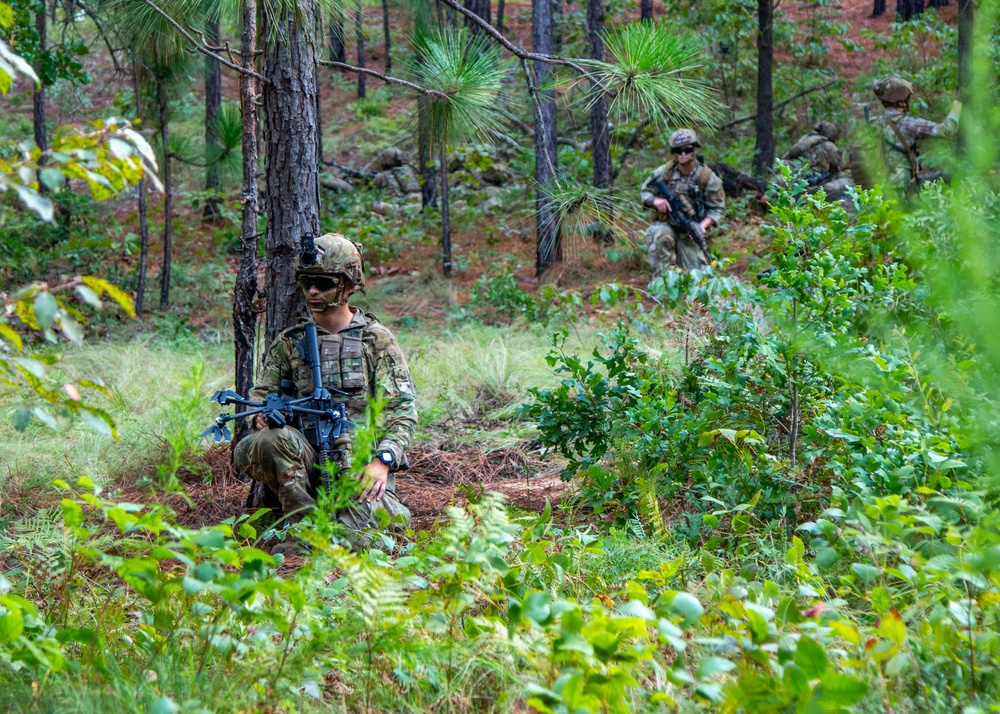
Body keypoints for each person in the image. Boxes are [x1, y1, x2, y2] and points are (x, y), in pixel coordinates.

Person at [235, 233, 417, 553]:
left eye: (323, 283)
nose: (313, 292)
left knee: (368, 544)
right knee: (266, 441)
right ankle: (304, 527)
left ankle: (335, 532)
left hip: (358, 466)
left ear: (348, 284)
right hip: (302, 468)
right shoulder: (290, 343)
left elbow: (402, 408)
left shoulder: (376, 340)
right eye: (307, 284)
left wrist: (382, 461)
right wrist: (263, 415)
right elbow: (261, 395)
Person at [640, 128, 725, 272]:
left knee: (697, 276)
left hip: (690, 230)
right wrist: (655, 201)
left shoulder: (707, 177)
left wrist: (702, 226)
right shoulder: (664, 172)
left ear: (694, 149)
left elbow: (717, 208)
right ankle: (662, 282)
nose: (683, 153)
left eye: (687, 149)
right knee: (661, 237)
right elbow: (645, 193)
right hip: (667, 225)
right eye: (679, 150)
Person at [871, 76, 961, 190]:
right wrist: (958, 102)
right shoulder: (908, 124)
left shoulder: (874, 122)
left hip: (877, 190)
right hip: (899, 190)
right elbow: (947, 130)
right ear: (901, 100)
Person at [783, 121, 854, 200]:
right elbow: (839, 167)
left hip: (793, 173)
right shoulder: (829, 146)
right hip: (810, 178)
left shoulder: (807, 140)